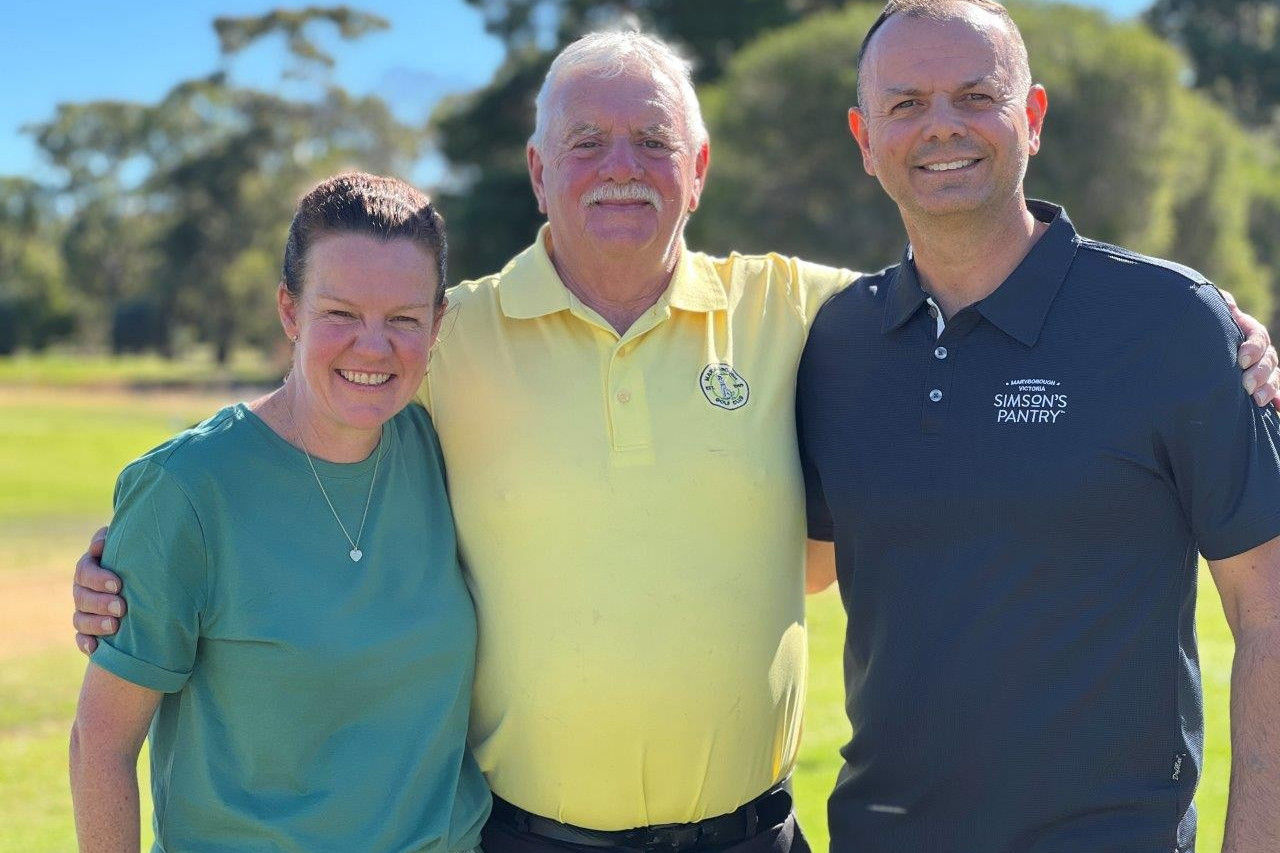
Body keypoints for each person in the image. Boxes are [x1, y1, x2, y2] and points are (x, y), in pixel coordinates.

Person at [70, 27, 1280, 853]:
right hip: (522, 833)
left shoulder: (809, 313)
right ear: (538, 170)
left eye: (651, 141)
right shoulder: (454, 337)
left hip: (754, 830)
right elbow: (319, 391)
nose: (620, 168)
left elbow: (975, 278)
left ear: (696, 168)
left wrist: (1220, 328)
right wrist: (140, 529)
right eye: (585, 143)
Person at [796, 1, 1280, 850]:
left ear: (1033, 117)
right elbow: (803, 569)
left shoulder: (1170, 322)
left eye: (976, 96)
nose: (942, 127)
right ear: (863, 139)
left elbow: (1269, 605)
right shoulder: (836, 343)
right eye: (905, 104)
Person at [68, 173, 490, 853]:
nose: (373, 347)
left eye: (404, 319)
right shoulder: (187, 488)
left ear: (437, 325)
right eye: (342, 314)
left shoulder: (440, 450)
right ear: (290, 311)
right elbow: (101, 743)